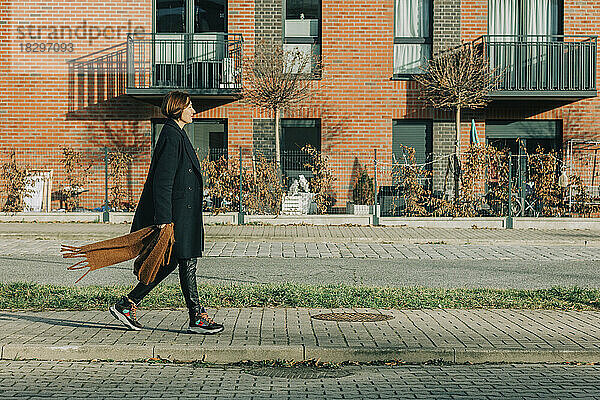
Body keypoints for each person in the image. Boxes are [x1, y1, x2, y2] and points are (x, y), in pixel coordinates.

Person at [110, 91, 223, 334]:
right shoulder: (172, 135)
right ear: (178, 109)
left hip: (184, 212)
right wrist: (163, 218)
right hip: (177, 213)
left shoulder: (176, 133)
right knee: (186, 260)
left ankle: (128, 303)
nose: (194, 111)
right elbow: (162, 180)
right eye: (190, 106)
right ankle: (196, 317)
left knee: (174, 260)